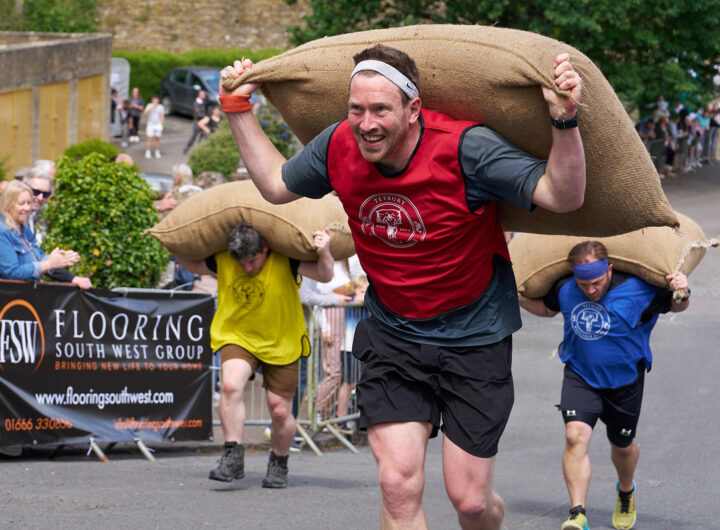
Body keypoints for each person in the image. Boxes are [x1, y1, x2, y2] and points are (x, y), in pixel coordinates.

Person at [219, 44, 585, 528]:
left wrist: (563, 120)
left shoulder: (465, 148)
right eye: (356, 109)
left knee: (471, 501)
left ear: (414, 110)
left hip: (474, 338)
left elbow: (564, 195)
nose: (366, 123)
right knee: (397, 486)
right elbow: (273, 183)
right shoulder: (337, 147)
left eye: (380, 110)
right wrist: (237, 107)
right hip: (394, 335)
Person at [517, 241, 690, 530]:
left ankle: (625, 492)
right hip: (580, 374)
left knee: (622, 447)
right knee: (575, 436)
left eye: (596, 283)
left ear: (609, 269)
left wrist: (682, 291)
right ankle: (577, 513)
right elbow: (548, 309)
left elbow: (676, 305)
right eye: (583, 284)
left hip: (625, 381)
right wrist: (518, 296)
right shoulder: (565, 287)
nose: (590, 290)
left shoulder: (639, 288)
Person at [175, 222, 334, 488]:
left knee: (280, 409)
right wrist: (175, 242)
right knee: (229, 385)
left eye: (253, 260)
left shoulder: (286, 258)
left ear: (266, 248)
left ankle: (279, 462)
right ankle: (233, 455)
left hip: (282, 338)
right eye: (242, 263)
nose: (247, 268)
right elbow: (193, 265)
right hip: (238, 335)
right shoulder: (224, 259)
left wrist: (325, 252)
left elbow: (324, 275)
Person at [0, 181, 92, 289]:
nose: (27, 208)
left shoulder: (24, 229)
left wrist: (61, 261)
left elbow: (40, 258)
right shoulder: (2, 232)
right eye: (21, 203)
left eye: (29, 203)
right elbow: (12, 273)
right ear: (8, 204)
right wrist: (48, 264)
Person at [23, 166, 53, 244]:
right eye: (36, 192)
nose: (40, 198)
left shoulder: (42, 216)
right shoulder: (11, 217)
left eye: (45, 194)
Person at [143, 95, 165, 159]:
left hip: (158, 124)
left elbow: (162, 116)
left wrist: (161, 124)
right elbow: (145, 113)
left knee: (157, 138)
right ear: (152, 100)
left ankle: (157, 151)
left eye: (156, 99)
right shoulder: (149, 105)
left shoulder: (161, 107)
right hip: (151, 124)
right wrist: (152, 107)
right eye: (154, 99)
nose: (155, 101)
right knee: (150, 138)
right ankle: (148, 151)